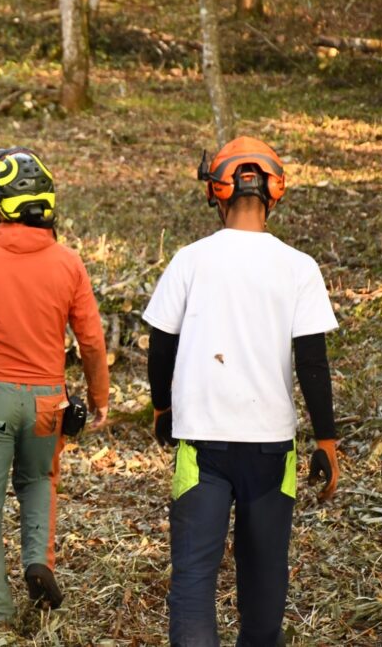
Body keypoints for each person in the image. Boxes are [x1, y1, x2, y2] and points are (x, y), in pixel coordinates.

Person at [144, 136, 340, 646]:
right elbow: (312, 361)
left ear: (217, 191)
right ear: (275, 192)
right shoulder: (299, 266)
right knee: (266, 578)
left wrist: (163, 408)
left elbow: (160, 344)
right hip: (272, 449)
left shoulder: (189, 260)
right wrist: (327, 442)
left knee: (192, 576)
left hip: (202, 445)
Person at [0, 147, 110, 622]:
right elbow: (91, 341)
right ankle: (37, 560)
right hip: (48, 399)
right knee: (38, 482)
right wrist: (99, 399)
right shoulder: (69, 262)